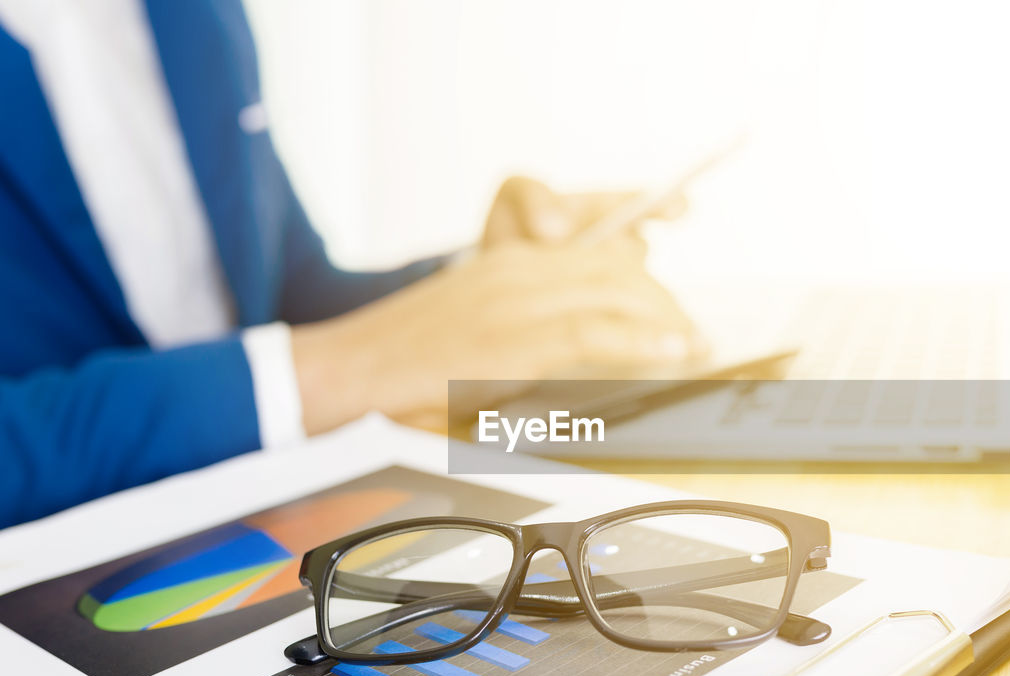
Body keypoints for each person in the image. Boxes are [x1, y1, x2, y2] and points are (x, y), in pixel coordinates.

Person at [0, 0, 698, 528]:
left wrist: (480, 284)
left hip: (263, 525)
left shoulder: (191, 15)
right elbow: (313, 361)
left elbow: (288, 291)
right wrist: (345, 367)